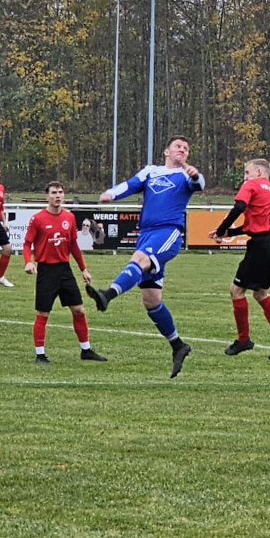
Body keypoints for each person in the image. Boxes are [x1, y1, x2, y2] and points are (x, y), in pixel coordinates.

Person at [84, 136, 205, 378]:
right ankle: (178, 345)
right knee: (151, 300)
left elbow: (200, 184)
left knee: (139, 259)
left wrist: (194, 174)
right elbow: (129, 185)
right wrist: (110, 194)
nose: (182, 150)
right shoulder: (152, 171)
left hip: (169, 232)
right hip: (147, 233)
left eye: (186, 148)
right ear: (166, 151)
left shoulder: (186, 176)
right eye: (178, 146)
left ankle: (107, 295)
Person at [208, 158, 270, 359]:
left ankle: (243, 339)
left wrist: (221, 230)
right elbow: (251, 225)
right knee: (260, 293)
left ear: (258, 173)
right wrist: (227, 233)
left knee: (236, 290)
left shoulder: (252, 184)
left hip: (262, 246)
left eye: (247, 172)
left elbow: (239, 207)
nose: (244, 177)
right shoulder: (269, 189)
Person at [22, 181, 107, 364]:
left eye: (60, 192)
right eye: (54, 192)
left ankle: (86, 350)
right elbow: (27, 243)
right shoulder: (37, 219)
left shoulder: (69, 217)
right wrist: (28, 262)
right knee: (43, 313)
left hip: (64, 270)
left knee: (78, 309)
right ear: (47, 196)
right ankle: (40, 355)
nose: (58, 195)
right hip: (46, 270)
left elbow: (73, 246)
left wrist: (83, 269)